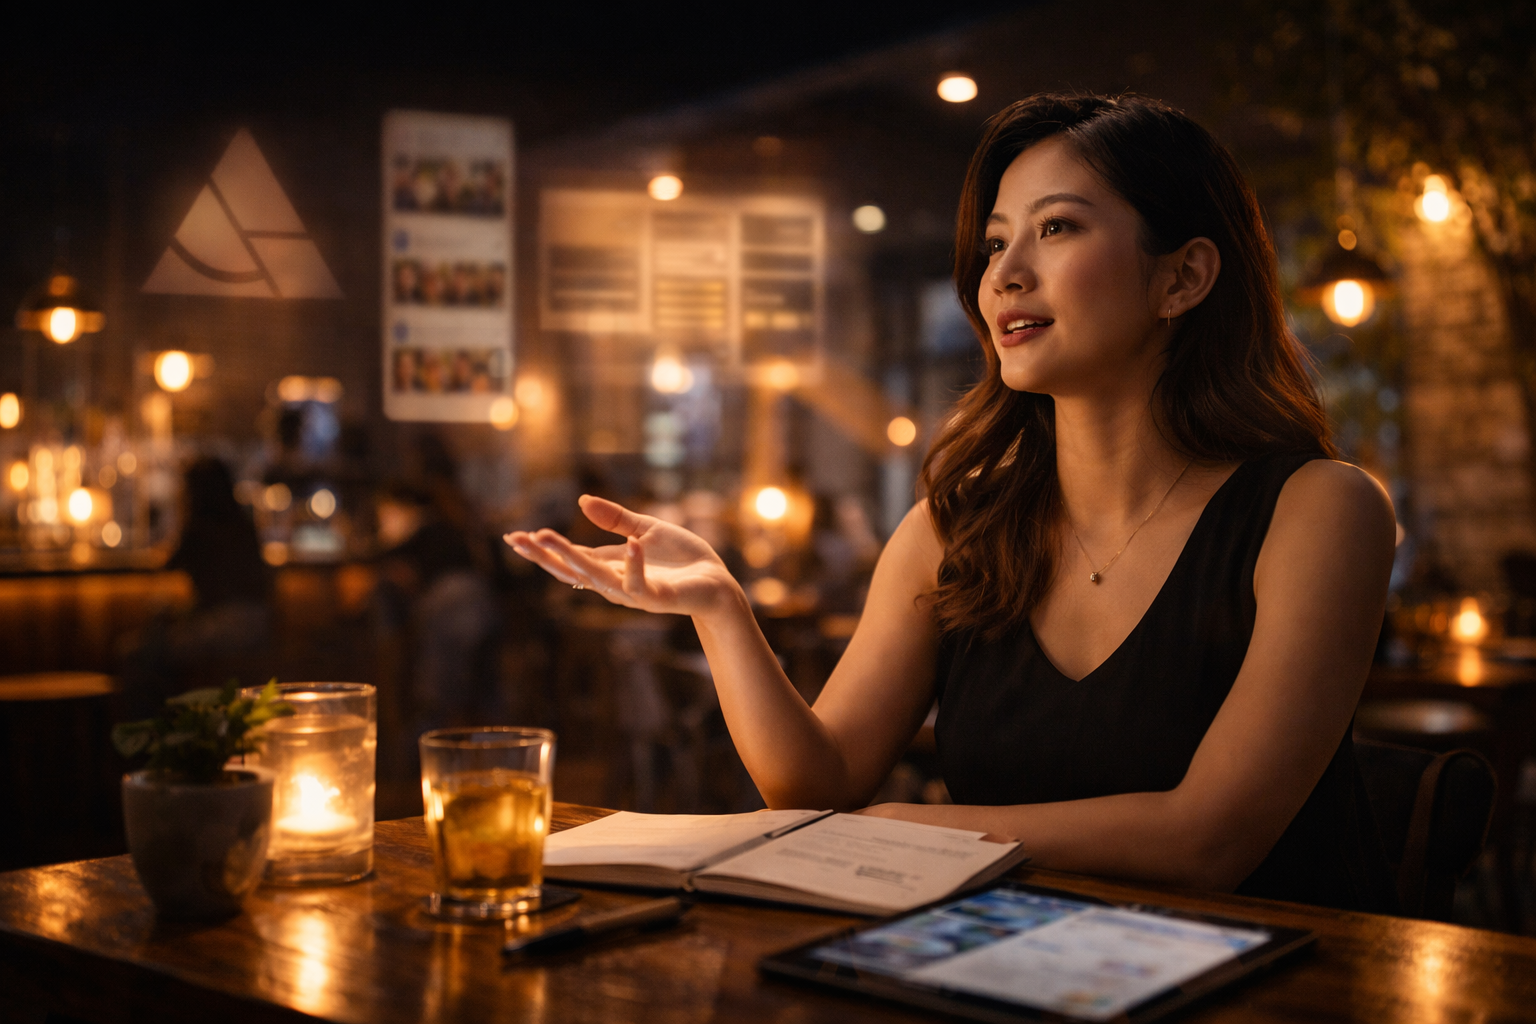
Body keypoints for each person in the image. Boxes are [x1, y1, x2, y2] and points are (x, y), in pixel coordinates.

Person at [505, 94, 1398, 912]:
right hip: (1004, 969)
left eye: (1057, 229)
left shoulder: (1320, 511)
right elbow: (817, 782)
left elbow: (1211, 840)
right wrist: (719, 606)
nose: (1004, 274)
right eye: (997, 243)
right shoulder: (956, 528)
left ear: (1184, 278)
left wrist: (918, 828)